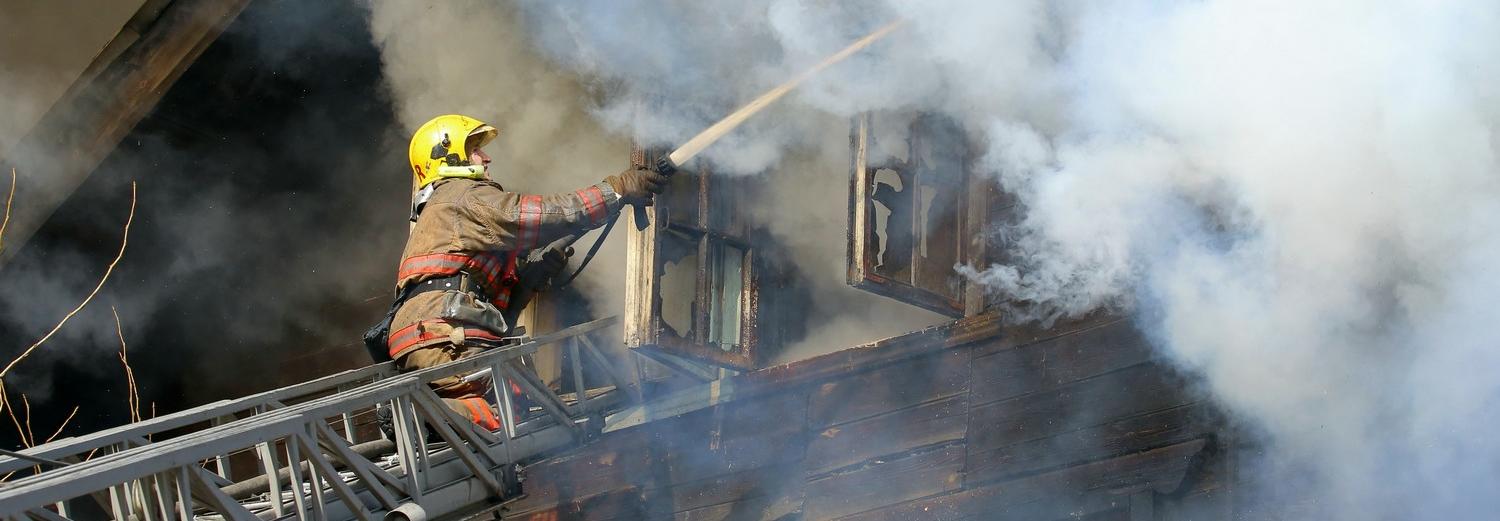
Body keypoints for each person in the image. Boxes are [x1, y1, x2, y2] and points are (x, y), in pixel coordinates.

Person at [386, 114, 663, 430]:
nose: (486, 157)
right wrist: (616, 190)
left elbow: (499, 312)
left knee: (486, 416)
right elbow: (539, 215)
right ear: (447, 156)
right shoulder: (461, 194)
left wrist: (532, 277)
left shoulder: (440, 215)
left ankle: (428, 418)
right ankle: (418, 418)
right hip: (448, 338)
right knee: (510, 410)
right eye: (476, 149)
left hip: (429, 340)